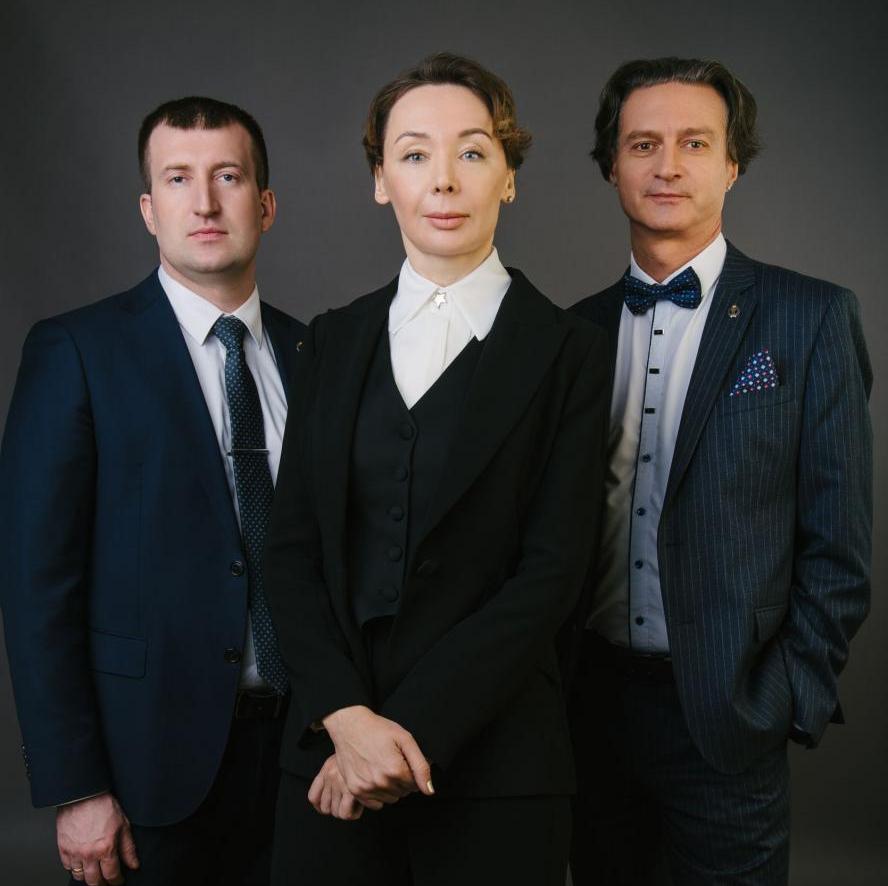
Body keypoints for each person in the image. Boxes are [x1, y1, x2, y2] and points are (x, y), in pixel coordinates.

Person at [263, 52, 609, 885]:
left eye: (473, 152)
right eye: (415, 154)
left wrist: (397, 737)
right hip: (328, 762)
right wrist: (346, 719)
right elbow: (291, 552)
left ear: (509, 178)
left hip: (499, 768)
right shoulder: (331, 339)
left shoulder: (571, 350)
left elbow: (552, 574)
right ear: (381, 180)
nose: (444, 179)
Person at [569, 57, 872, 885]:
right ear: (611, 165)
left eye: (695, 143)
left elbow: (840, 548)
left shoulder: (811, 318)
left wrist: (782, 697)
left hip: (730, 714)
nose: (667, 165)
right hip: (588, 713)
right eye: (643, 144)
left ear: (732, 163)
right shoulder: (571, 335)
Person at [0, 96, 304, 886]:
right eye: (177, 179)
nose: (204, 203)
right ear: (148, 210)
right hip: (148, 772)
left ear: (265, 205)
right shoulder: (77, 351)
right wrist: (75, 786)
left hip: (306, 763)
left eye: (227, 177)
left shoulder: (316, 353)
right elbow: (37, 586)